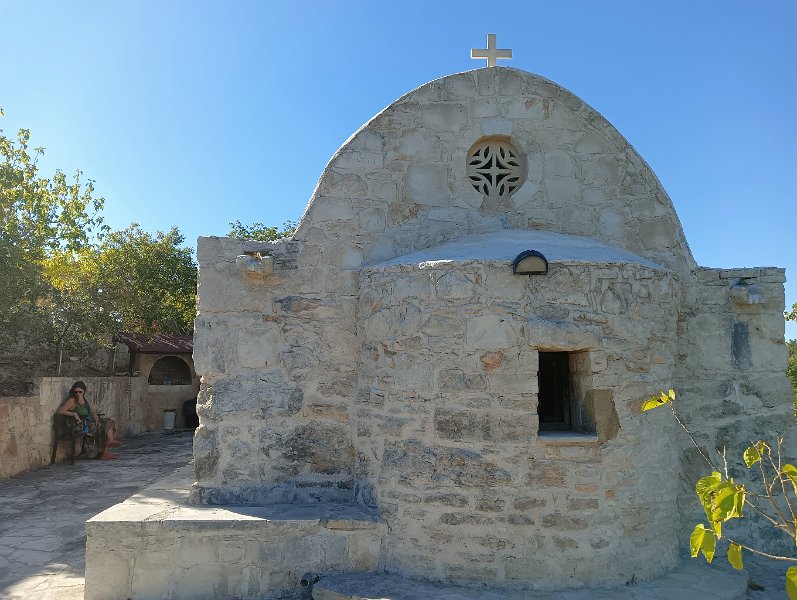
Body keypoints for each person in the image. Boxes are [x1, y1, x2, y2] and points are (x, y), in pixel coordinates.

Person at [56, 381, 122, 460]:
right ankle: (105, 451)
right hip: (81, 424)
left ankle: (109, 443)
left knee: (108, 422)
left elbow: (93, 412)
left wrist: (97, 421)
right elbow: (60, 411)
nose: (78, 394)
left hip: (89, 421)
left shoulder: (85, 399)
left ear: (84, 391)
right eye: (76, 392)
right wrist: (74, 414)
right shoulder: (72, 400)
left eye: (80, 392)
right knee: (103, 428)